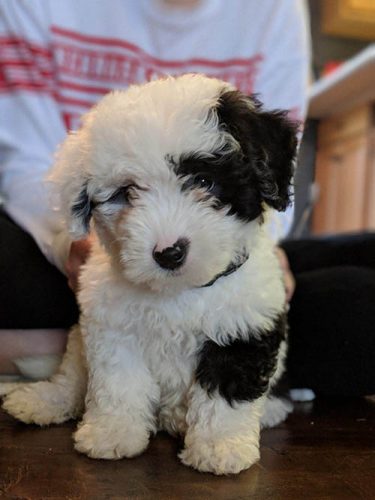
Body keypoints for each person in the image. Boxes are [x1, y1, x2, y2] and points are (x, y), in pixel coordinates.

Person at [1, 0, 374, 397]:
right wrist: (69, 243)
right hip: (89, 245)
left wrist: (262, 251)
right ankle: (141, 361)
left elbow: (273, 163)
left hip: (219, 248)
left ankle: (50, 351)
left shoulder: (276, 9)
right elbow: (26, 163)